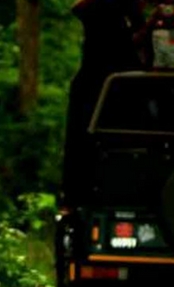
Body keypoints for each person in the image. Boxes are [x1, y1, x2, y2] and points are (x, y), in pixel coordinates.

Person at [62, 0, 145, 206]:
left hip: (113, 87)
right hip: (107, 86)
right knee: (86, 141)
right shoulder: (107, 16)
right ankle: (77, 196)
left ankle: (77, 195)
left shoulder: (119, 15)